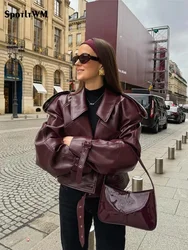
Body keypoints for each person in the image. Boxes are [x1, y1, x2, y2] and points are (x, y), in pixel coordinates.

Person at [35, 38, 146, 250]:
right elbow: (44, 148)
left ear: (102, 63)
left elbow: (129, 154)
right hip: (71, 193)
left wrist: (77, 144)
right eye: (76, 57)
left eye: (84, 57)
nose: (77, 62)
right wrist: (104, 153)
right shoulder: (62, 104)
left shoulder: (125, 107)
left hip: (111, 193)